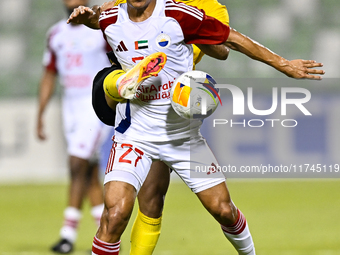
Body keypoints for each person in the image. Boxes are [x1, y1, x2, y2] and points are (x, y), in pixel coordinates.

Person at [68, 1, 325, 254]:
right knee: (115, 215)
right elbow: (96, 19)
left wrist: (285, 65)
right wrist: (86, 17)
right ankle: (122, 81)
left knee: (223, 210)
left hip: (182, 137)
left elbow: (231, 41)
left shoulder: (179, 15)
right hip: (135, 136)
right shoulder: (111, 16)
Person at [36, 0, 113, 253]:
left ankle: (67, 235)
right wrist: (40, 112)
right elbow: (50, 74)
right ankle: (107, 232)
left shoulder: (102, 28)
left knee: (76, 163)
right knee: (88, 172)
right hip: (69, 106)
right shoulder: (56, 33)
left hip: (95, 103)